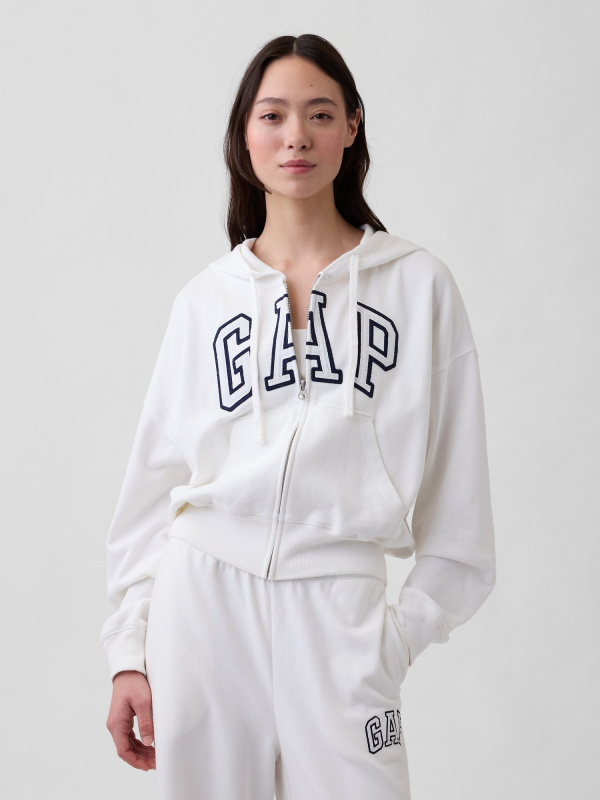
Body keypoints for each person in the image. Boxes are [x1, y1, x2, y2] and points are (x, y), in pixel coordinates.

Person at [101, 33, 496, 799]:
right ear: (245, 134)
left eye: (319, 114)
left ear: (352, 126)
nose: (296, 137)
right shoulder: (205, 300)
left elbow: (461, 514)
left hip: (339, 608)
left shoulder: (419, 288)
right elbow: (152, 489)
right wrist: (128, 651)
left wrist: (393, 641)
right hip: (202, 607)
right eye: (273, 115)